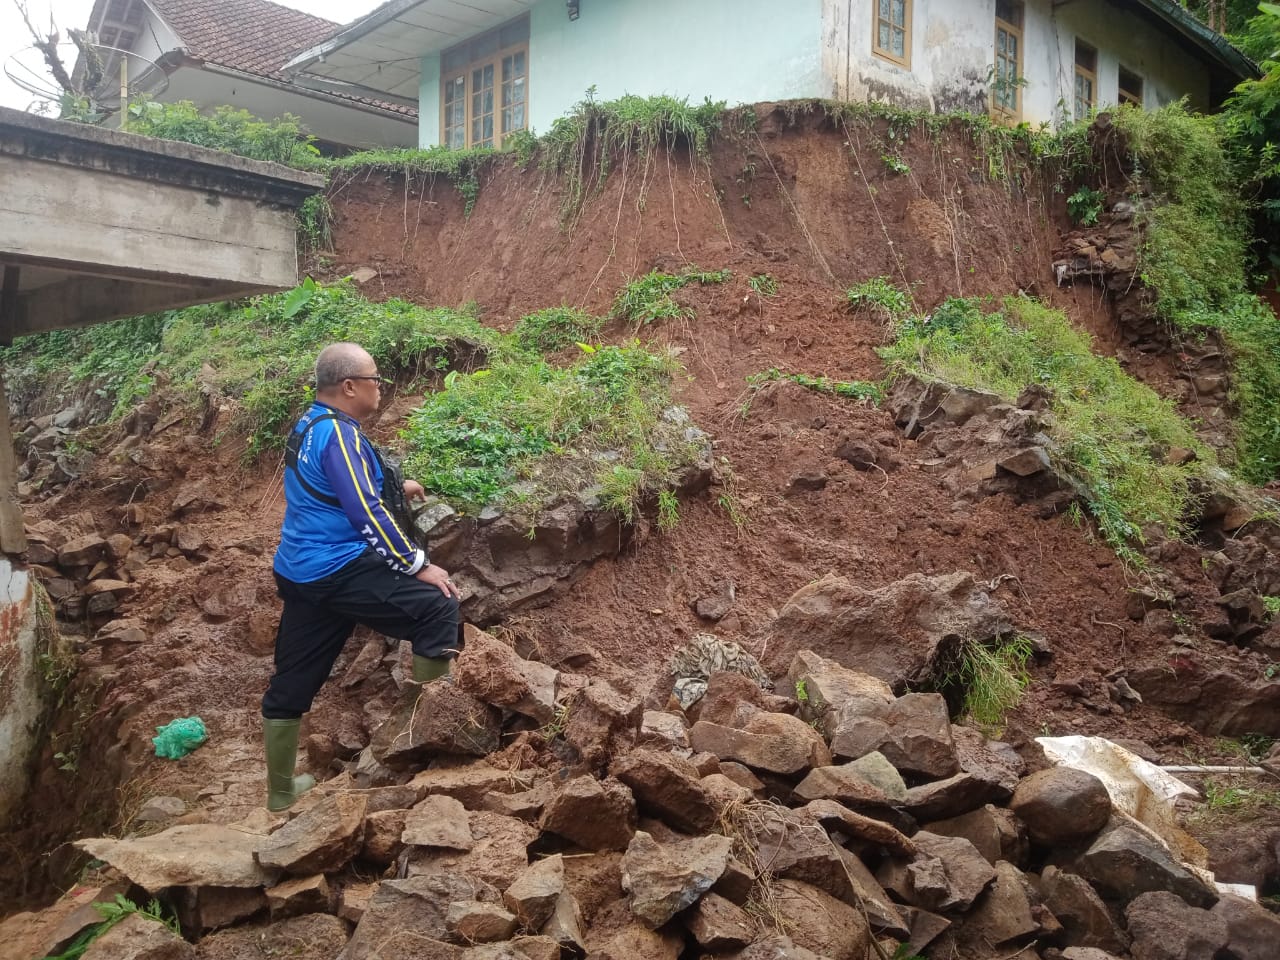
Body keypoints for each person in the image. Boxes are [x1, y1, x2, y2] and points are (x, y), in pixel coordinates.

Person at [260, 342, 462, 811]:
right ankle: (426, 744)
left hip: (300, 571)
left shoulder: (309, 423)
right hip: (338, 568)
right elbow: (363, 510)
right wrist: (417, 564)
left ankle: (280, 792)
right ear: (350, 387)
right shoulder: (339, 434)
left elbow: (340, 486)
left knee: (293, 679)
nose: (379, 388)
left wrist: (399, 485)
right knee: (437, 605)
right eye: (375, 380)